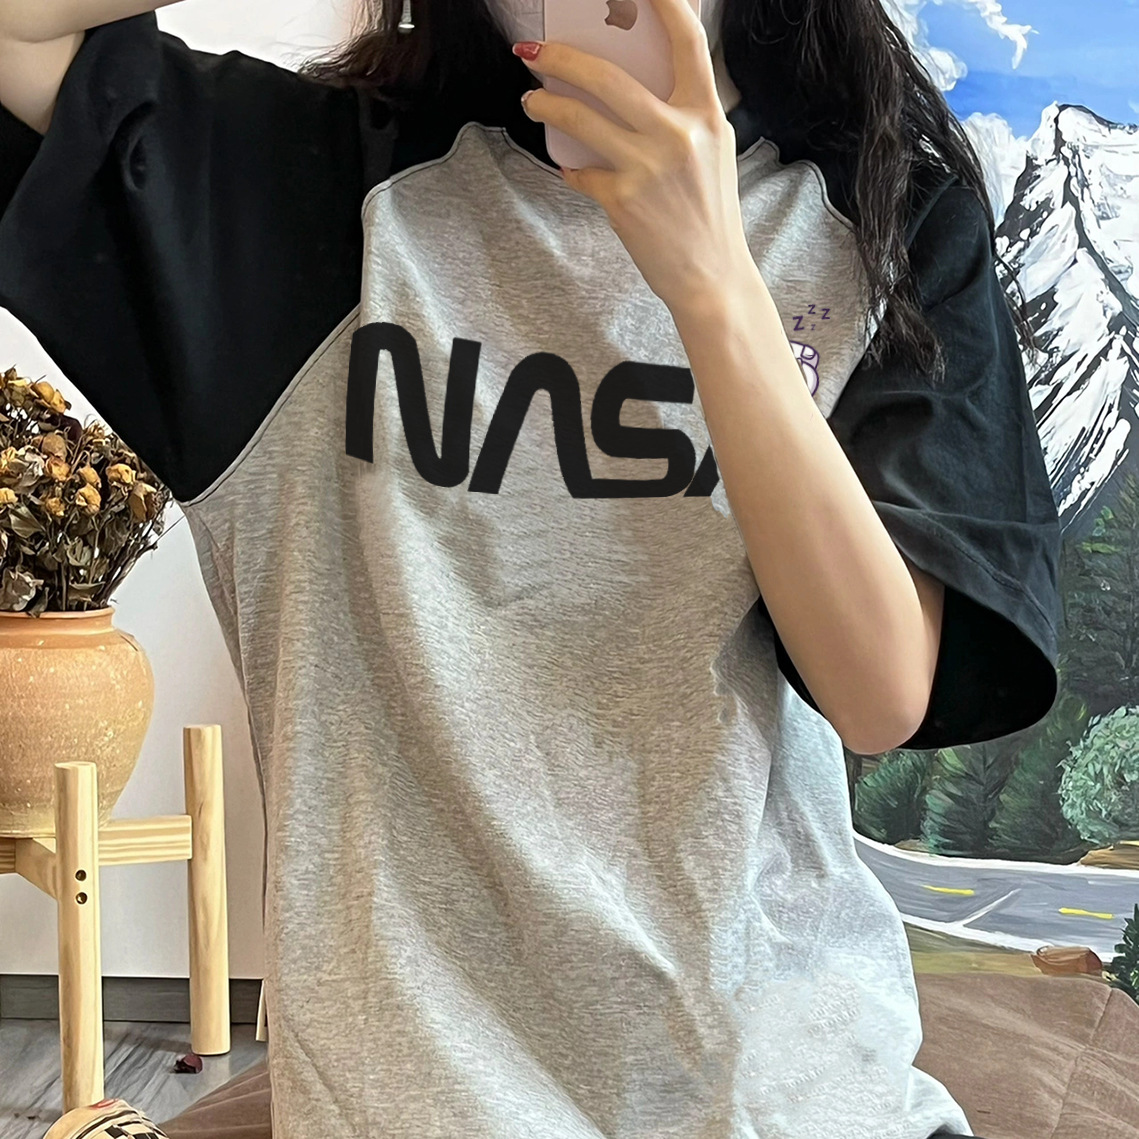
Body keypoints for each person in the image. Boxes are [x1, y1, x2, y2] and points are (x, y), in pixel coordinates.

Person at [1, 0, 1062, 1136]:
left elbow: (880, 691)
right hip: (416, 1104)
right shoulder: (301, 190)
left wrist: (711, 281)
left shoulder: (881, 218)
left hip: (792, 1093)